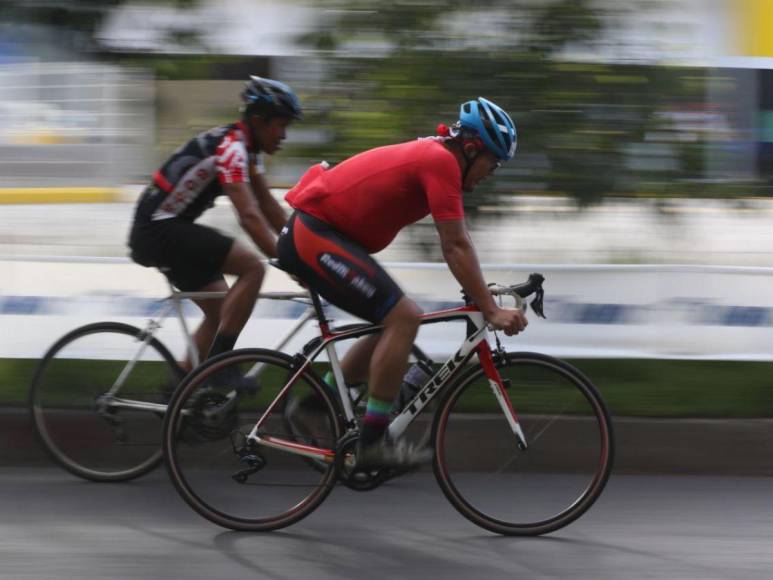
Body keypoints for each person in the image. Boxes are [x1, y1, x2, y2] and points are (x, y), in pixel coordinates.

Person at [277, 97, 528, 468]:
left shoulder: (439, 158)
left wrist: (481, 289)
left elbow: (460, 240)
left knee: (390, 322)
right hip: (314, 235)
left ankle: (317, 405)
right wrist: (489, 310)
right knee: (404, 317)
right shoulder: (441, 161)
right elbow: (454, 245)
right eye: (492, 162)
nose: (491, 173)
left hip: (318, 234)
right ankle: (372, 444)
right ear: (472, 149)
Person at [128, 76, 301, 373]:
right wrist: (289, 261)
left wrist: (300, 245)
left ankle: (181, 395)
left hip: (165, 226)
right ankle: (224, 369)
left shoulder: (246, 149)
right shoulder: (232, 149)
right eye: (281, 124)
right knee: (253, 268)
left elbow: (269, 206)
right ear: (259, 120)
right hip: (159, 228)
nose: (284, 134)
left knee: (222, 311)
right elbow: (248, 215)